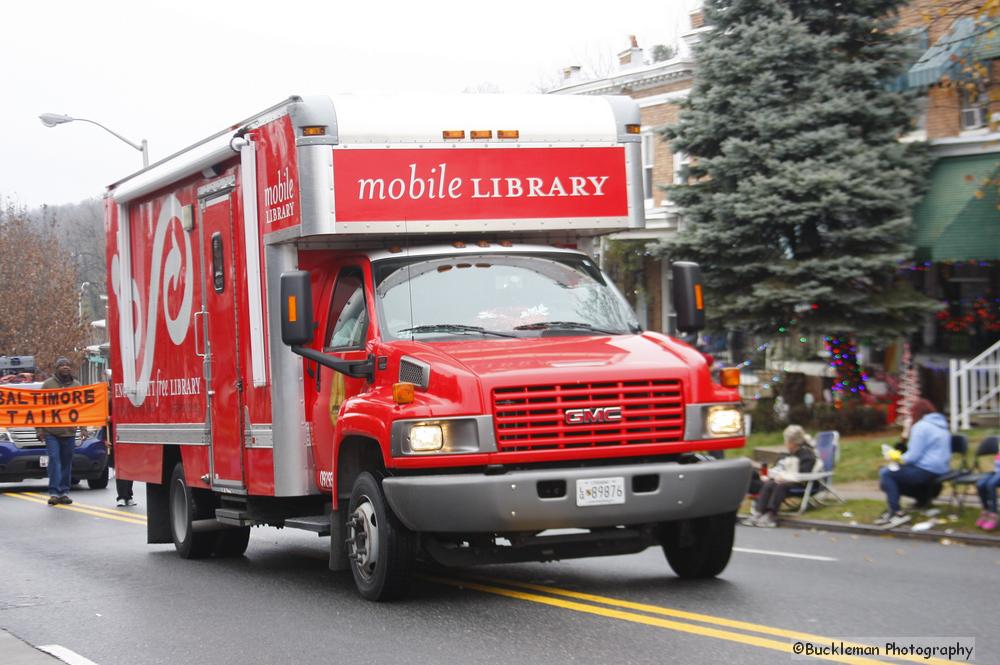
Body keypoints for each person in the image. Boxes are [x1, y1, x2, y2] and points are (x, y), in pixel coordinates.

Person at [875, 398, 951, 527]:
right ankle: (921, 501)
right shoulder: (941, 425)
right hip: (940, 470)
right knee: (891, 475)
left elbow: (913, 456)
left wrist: (895, 458)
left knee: (886, 474)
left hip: (926, 470)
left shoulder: (921, 427)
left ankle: (896, 513)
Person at [747, 425, 817, 528]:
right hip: (785, 479)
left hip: (800, 483)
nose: (785, 443)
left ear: (793, 442)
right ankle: (759, 512)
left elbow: (802, 475)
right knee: (770, 484)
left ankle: (771, 515)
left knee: (780, 486)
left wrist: (784, 477)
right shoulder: (789, 454)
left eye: (787, 441)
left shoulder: (807, 455)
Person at [37, 357, 80, 506]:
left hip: (69, 432)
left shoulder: (77, 385)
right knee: (54, 460)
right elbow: (39, 409)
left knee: (67, 462)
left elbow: (84, 410)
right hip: (51, 432)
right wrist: (39, 430)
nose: (65, 367)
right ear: (56, 368)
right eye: (62, 365)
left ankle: (64, 492)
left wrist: (85, 427)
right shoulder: (48, 385)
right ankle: (54, 493)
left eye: (67, 365)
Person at [974, 451, 1000, 531]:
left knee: (991, 484)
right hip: (996, 471)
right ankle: (986, 510)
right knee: (980, 484)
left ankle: (993, 514)